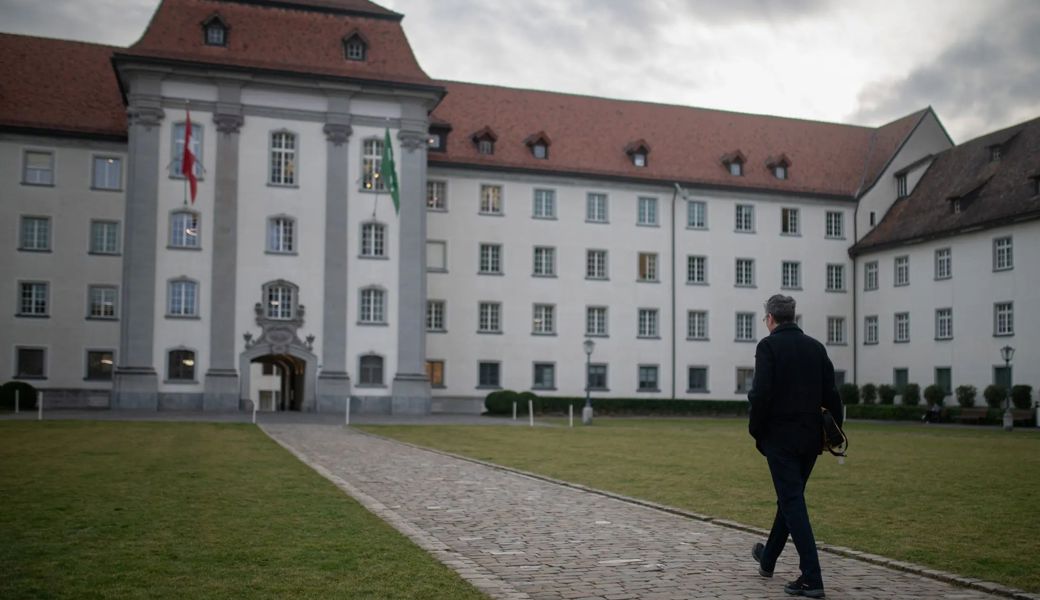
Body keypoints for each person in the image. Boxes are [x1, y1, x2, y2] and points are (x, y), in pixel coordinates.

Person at [747, 294, 842, 598]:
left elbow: (760, 394)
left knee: (791, 501)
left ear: (770, 319)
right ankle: (768, 559)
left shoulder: (768, 346)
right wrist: (834, 434)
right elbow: (833, 396)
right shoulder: (816, 347)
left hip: (780, 439)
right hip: (811, 439)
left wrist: (756, 431)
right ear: (793, 316)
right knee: (790, 499)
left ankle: (811, 577)